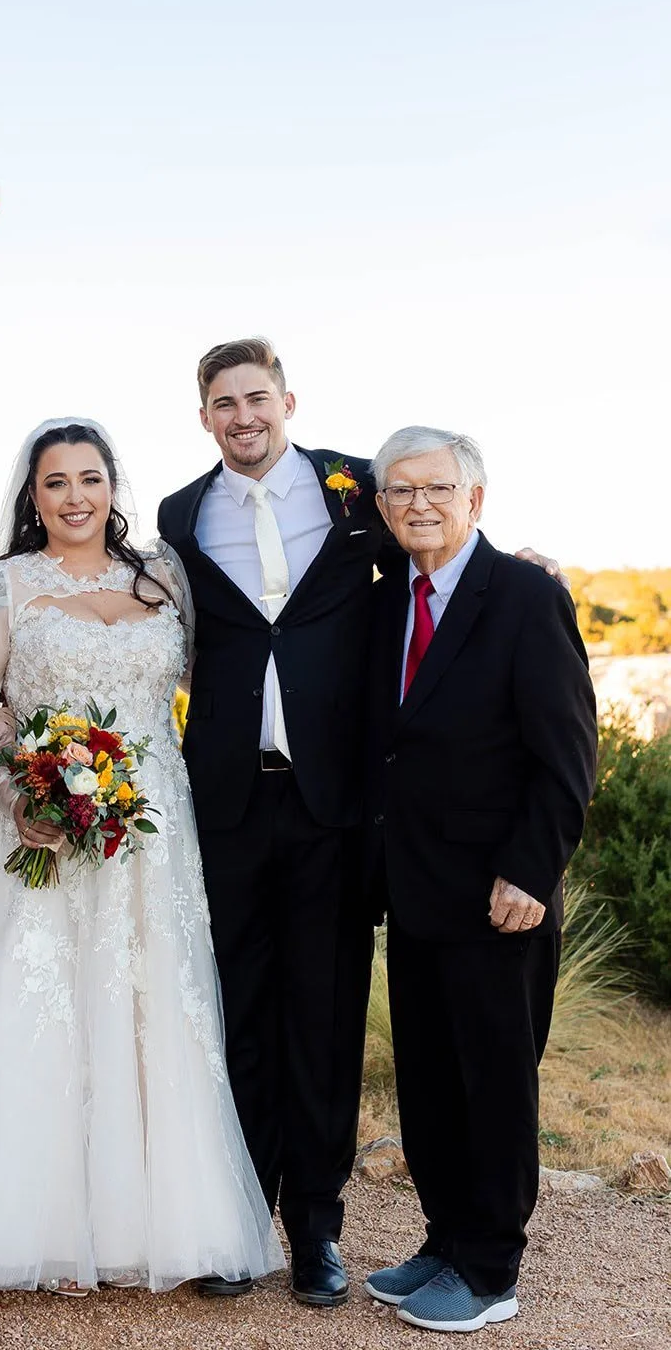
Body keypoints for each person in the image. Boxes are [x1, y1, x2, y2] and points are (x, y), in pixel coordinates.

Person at [0, 420, 283, 1306]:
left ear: (113, 485)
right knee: (30, 1007)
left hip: (152, 834)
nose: (75, 497)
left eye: (89, 478)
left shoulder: (163, 579)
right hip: (34, 830)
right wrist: (18, 796)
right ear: (30, 498)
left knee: (149, 1007)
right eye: (55, 483)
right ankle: (18, 1223)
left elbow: (216, 674)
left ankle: (144, 1224)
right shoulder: (0, 587)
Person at [156, 338, 565, 1309]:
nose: (241, 416)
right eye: (222, 403)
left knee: (325, 1021)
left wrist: (523, 566)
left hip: (334, 807)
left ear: (286, 400)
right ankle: (237, 1221)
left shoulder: (356, 490)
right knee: (236, 1017)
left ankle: (316, 1232)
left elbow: (444, 559)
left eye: (255, 397)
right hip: (225, 804)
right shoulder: (179, 512)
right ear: (203, 416)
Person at [362, 426, 596, 1333]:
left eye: (437, 488)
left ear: (475, 499)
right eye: (399, 492)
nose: (419, 504)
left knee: (493, 1084)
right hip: (413, 889)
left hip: (502, 895)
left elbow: (566, 756)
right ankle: (444, 1239)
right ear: (380, 509)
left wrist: (530, 871)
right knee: (427, 1079)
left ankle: (491, 1269)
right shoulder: (389, 604)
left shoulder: (526, 596)